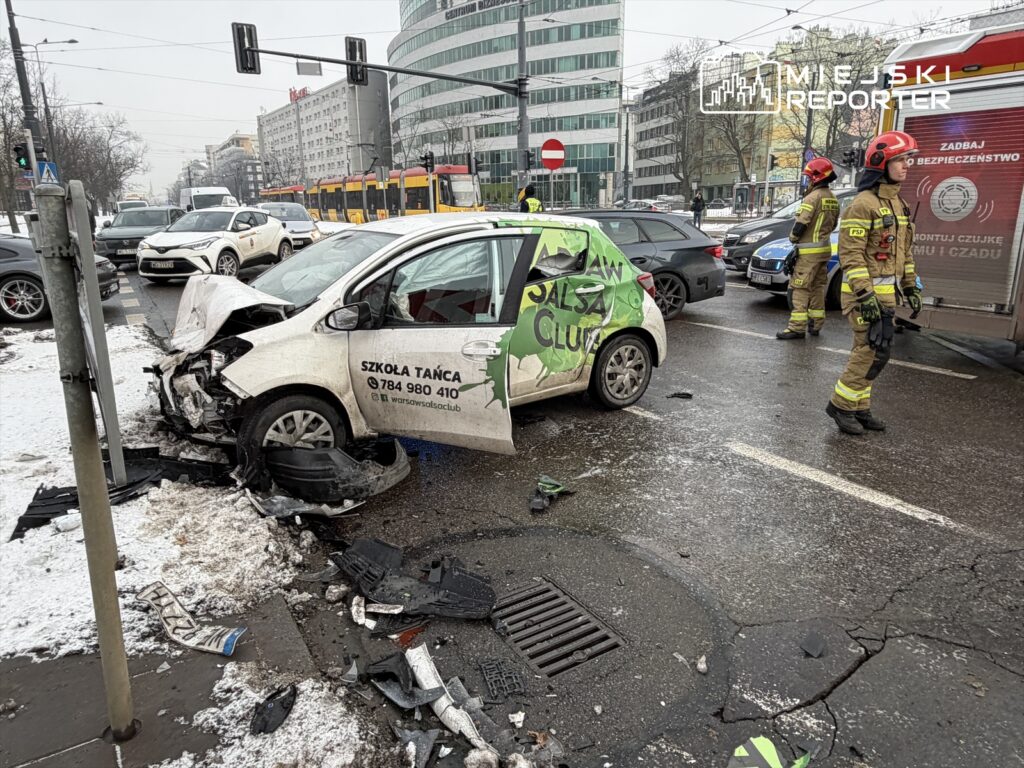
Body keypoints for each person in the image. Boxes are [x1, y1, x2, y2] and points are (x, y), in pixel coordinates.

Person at [826, 130, 922, 435]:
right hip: (863, 297)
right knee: (870, 352)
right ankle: (840, 406)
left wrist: (909, 285)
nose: (907, 165)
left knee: (871, 350)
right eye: (901, 159)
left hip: (884, 296)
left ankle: (859, 407)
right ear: (882, 163)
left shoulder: (898, 205)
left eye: (909, 159)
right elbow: (850, 255)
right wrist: (865, 295)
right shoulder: (862, 205)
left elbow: (903, 252)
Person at [776, 157, 840, 340]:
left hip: (808, 253)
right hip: (824, 250)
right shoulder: (832, 199)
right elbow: (834, 224)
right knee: (818, 287)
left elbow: (801, 224)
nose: (808, 180)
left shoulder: (812, 198)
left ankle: (797, 327)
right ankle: (816, 324)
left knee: (800, 288)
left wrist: (793, 239)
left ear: (817, 177)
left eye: (810, 177)